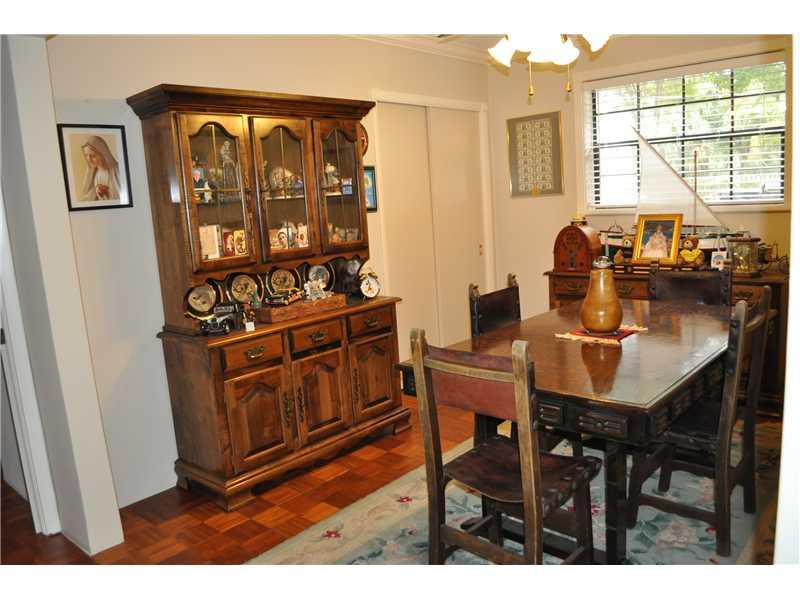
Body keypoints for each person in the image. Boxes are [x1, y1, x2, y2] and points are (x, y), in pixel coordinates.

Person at [80, 136, 121, 201]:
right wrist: (96, 191)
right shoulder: (93, 173)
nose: (89, 159)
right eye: (86, 155)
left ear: (103, 154)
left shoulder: (117, 170)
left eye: (93, 156)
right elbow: (86, 197)